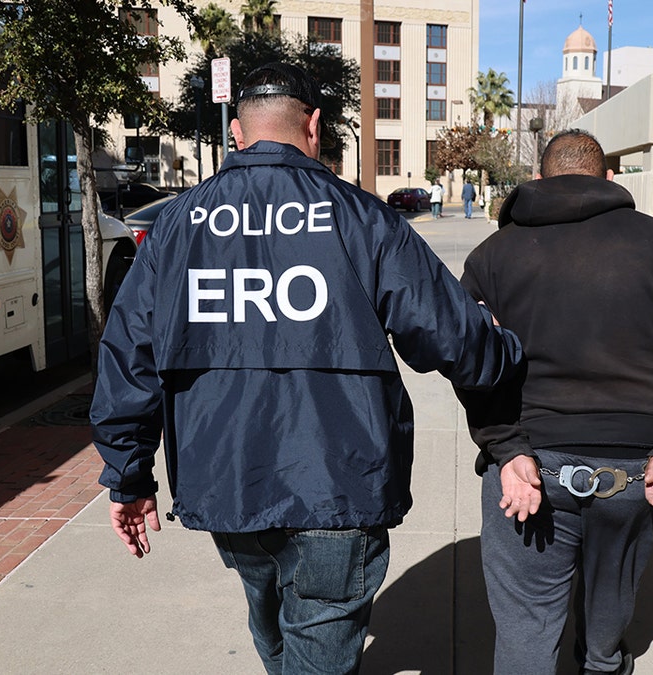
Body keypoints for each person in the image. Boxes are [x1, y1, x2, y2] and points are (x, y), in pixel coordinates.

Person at [89, 62, 523, 675]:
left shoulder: (177, 225)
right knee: (310, 643)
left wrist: (128, 474)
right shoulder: (363, 219)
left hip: (228, 479)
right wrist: (507, 352)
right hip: (337, 483)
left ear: (237, 133)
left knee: (274, 628)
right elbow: (449, 335)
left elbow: (127, 354)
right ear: (314, 125)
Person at [460, 129, 653, 674]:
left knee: (527, 636)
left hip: (528, 471)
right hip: (636, 473)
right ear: (609, 180)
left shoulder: (492, 255)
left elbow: (470, 362)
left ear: (539, 179)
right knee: (605, 642)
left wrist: (507, 449)